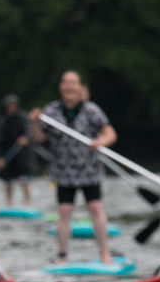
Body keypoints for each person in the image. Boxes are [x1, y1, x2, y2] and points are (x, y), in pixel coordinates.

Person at [29, 70, 117, 264]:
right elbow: (38, 138)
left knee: (95, 208)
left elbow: (110, 133)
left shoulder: (91, 110)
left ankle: (104, 254)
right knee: (64, 212)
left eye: (73, 83)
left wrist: (100, 141)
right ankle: (62, 256)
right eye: (65, 83)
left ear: (80, 88)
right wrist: (34, 122)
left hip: (89, 170)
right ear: (61, 87)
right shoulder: (50, 111)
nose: (69, 87)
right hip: (63, 171)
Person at [0, 94, 36, 207]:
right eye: (9, 105)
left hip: (23, 155)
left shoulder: (23, 117)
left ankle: (27, 203)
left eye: (13, 104)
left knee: (24, 179)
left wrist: (25, 138)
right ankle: (9, 203)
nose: (11, 107)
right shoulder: (1, 120)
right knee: (8, 180)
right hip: (8, 154)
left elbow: (28, 132)